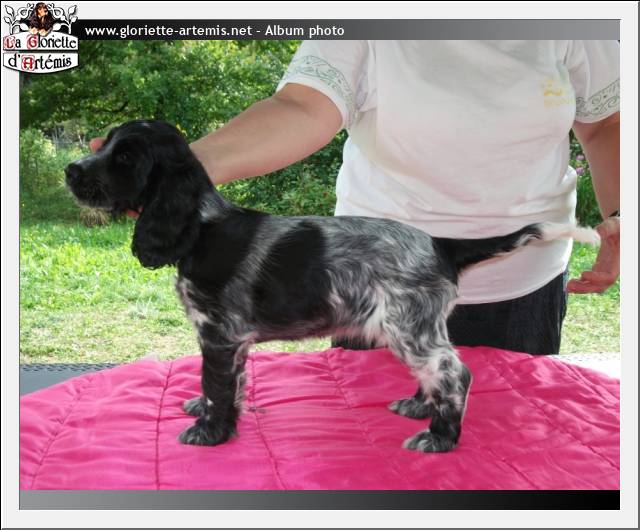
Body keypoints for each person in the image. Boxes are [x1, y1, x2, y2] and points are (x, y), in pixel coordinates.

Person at [93, 40, 621, 356]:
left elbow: (607, 124)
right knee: (371, 459)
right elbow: (303, 107)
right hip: (376, 288)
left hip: (524, 286)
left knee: (505, 460)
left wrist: (622, 214)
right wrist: (184, 168)